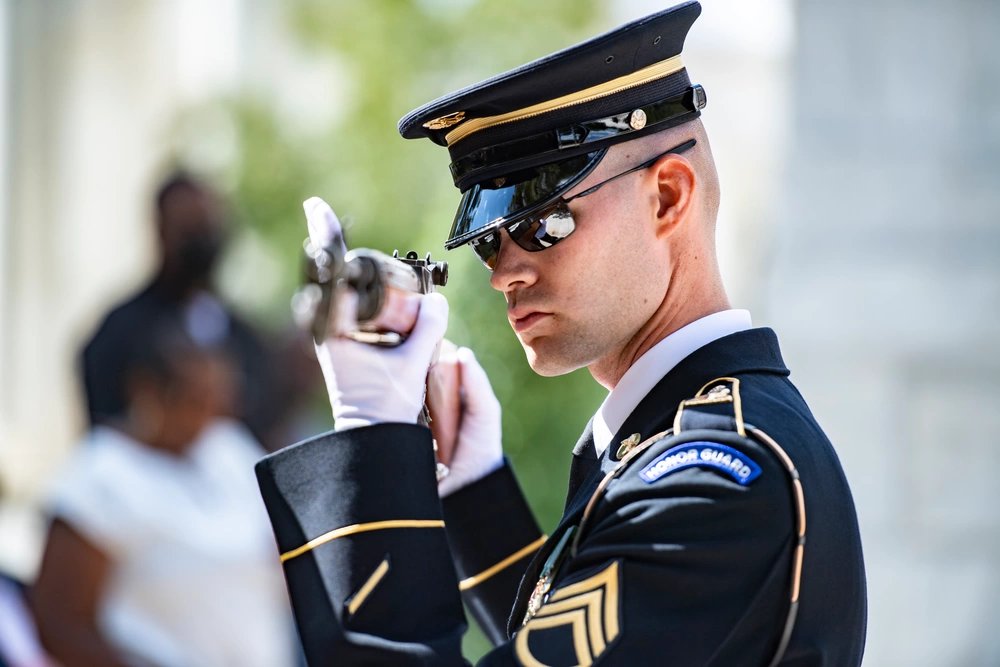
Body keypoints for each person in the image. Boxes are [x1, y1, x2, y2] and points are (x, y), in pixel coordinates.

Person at [255, 3, 867, 665]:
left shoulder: (715, 485)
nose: (504, 274)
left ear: (668, 196)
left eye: (542, 220)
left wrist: (373, 454)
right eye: (488, 242)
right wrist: (475, 490)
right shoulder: (685, 445)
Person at [32, 326, 296, 667]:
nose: (205, 417)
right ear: (147, 391)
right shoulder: (98, 478)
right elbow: (60, 624)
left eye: (216, 400)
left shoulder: (229, 451)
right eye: (192, 400)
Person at [79, 172, 286, 450]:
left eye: (207, 226)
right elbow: (105, 428)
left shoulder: (247, 339)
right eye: (189, 228)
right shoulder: (119, 332)